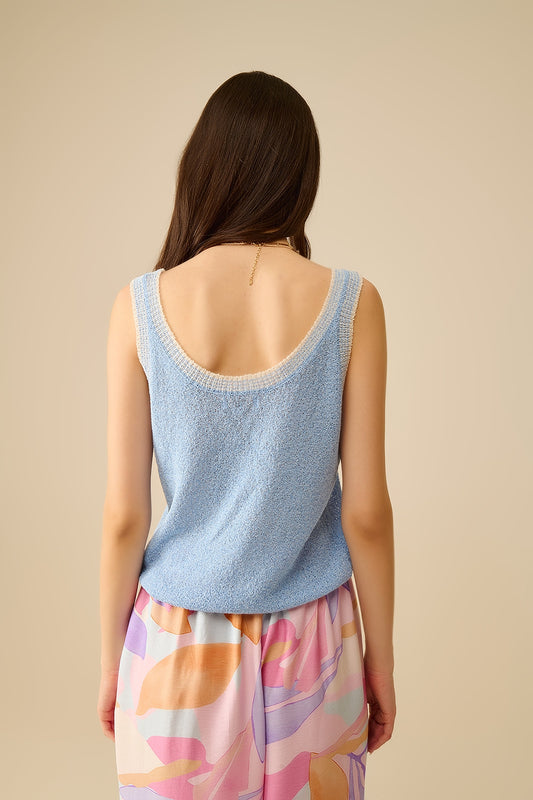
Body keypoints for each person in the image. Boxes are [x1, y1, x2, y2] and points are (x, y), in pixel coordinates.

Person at [97, 70, 396, 800]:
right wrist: (380, 661)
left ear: (205, 168)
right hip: (316, 645)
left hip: (176, 646)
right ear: (302, 176)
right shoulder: (352, 305)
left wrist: (112, 663)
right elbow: (365, 512)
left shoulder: (140, 307)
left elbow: (125, 516)